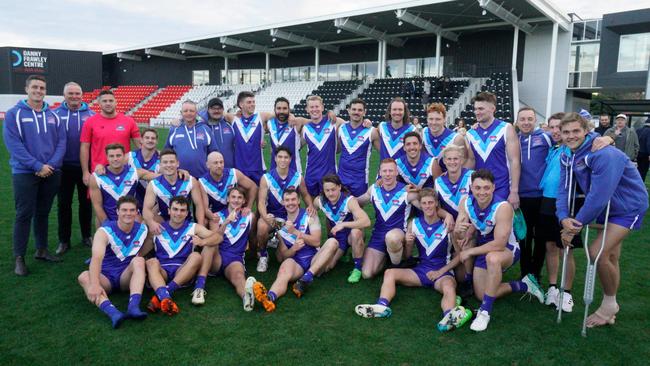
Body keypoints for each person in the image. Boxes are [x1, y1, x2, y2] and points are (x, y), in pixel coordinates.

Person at [557, 112, 648, 328]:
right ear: (560, 134)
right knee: (611, 255)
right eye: (566, 132)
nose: (571, 136)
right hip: (607, 208)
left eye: (576, 131)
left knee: (597, 252)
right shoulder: (566, 154)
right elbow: (563, 189)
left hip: (627, 206)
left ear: (586, 131)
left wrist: (575, 227)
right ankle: (612, 305)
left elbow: (598, 196)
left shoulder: (604, 154)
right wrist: (563, 218)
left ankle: (609, 305)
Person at [354, 189, 472, 333]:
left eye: (430, 203)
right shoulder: (414, 224)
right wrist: (408, 244)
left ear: (436, 204)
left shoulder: (448, 226)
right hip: (421, 271)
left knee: (449, 287)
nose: (428, 206)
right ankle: (382, 306)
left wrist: (440, 272)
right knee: (390, 273)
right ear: (420, 206)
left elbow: (460, 256)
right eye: (424, 203)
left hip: (442, 273)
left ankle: (449, 316)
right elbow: (407, 257)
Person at [454, 169, 545, 332]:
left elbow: (499, 244)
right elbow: (460, 233)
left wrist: (470, 252)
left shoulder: (503, 207)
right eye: (478, 188)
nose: (482, 192)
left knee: (493, 259)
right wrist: (458, 230)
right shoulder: (465, 202)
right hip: (484, 248)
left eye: (486, 188)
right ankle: (524, 286)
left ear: (494, 187)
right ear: (471, 188)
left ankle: (485, 312)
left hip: (506, 249)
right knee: (481, 293)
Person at [3, 75, 67, 275]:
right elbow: (13, 145)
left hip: (51, 171)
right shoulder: (14, 114)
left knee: (43, 212)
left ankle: (41, 249)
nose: (39, 91)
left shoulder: (54, 115)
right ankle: (19, 257)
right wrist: (36, 165)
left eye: (42, 88)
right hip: (24, 172)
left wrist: (52, 165)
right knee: (24, 214)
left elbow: (61, 142)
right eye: (35, 87)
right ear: (27, 89)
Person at [252, 189, 337, 312]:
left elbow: (317, 241)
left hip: (315, 259)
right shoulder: (280, 224)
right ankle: (269, 298)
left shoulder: (310, 215)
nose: (290, 203)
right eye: (287, 200)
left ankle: (306, 278)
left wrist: (295, 232)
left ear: (298, 201)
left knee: (332, 242)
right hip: (297, 262)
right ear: (283, 202)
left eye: (293, 199)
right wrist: (294, 249)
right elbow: (283, 256)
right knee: (283, 271)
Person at [77, 196, 148, 329]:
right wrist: (95, 285)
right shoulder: (104, 231)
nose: (128, 213)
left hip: (125, 278)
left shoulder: (143, 229)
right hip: (106, 278)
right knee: (84, 276)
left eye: (132, 210)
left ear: (137, 212)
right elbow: (96, 259)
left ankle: (133, 307)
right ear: (117, 212)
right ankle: (113, 313)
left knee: (139, 261)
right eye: (124, 210)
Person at [146, 196, 222, 315]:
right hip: (162, 273)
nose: (178, 213)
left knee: (196, 256)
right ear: (169, 210)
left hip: (183, 271)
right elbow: (140, 252)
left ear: (187, 213)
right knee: (150, 262)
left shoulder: (193, 227)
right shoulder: (157, 228)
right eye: (175, 209)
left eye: (182, 210)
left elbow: (218, 237)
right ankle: (166, 298)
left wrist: (202, 242)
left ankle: (162, 294)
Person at [191, 187, 257, 309]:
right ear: (227, 199)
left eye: (239, 197)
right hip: (216, 258)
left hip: (235, 259)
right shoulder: (217, 217)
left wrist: (254, 253)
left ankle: (246, 298)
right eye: (233, 197)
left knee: (238, 276)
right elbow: (216, 238)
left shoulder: (250, 216)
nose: (236, 200)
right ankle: (199, 288)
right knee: (211, 244)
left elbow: (252, 237)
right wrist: (226, 222)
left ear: (244, 201)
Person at [356, 159, 419, 279]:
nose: (388, 174)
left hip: (398, 234)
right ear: (380, 172)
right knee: (367, 274)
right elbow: (357, 202)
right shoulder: (374, 189)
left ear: (396, 172)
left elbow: (427, 206)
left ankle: (397, 265)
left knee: (392, 238)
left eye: (391, 170)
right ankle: (387, 256)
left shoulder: (407, 191)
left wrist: (419, 191)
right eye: (384, 171)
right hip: (378, 236)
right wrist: (340, 198)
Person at [255, 147, 313, 272]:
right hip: (274, 217)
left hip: (291, 218)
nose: (283, 160)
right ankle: (263, 255)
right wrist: (265, 217)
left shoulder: (297, 177)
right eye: (280, 157)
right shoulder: (266, 178)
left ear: (290, 159)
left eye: (286, 157)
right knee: (261, 226)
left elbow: (306, 194)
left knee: (284, 254)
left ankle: (296, 250)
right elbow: (260, 202)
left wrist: (311, 206)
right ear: (275, 159)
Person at [54, 81, 94, 255]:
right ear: (64, 95)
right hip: (63, 167)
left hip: (86, 167)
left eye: (77, 93)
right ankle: (64, 240)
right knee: (64, 204)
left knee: (86, 203)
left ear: (82, 95)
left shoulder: (91, 115)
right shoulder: (54, 114)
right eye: (70, 93)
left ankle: (86, 236)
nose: (74, 96)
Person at [516, 107, 553, 281]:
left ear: (535, 120)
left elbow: (572, 139)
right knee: (524, 236)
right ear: (517, 121)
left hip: (542, 197)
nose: (526, 122)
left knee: (540, 238)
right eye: (522, 119)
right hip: (521, 197)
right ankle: (525, 273)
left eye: (529, 119)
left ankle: (536, 273)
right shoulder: (514, 140)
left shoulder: (546, 137)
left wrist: (607, 137)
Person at [465, 92, 521, 208]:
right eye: (475, 109)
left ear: (492, 109)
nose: (477, 112)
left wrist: (514, 191)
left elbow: (514, 161)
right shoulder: (471, 133)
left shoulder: (506, 128)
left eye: (481, 109)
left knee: (501, 224)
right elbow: (471, 161)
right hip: (479, 191)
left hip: (502, 188)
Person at [313, 174, 371, 283]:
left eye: (333, 189)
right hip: (337, 239)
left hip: (351, 235)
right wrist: (311, 210)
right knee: (325, 268)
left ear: (339, 187)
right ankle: (343, 253)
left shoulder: (349, 200)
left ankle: (357, 268)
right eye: (327, 190)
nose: (330, 193)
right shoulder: (320, 201)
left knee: (355, 233)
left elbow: (366, 221)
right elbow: (312, 210)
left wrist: (344, 224)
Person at [434, 145, 474, 296]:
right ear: (444, 161)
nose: (452, 162)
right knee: (458, 275)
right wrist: (447, 215)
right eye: (449, 159)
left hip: (470, 226)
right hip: (450, 228)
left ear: (462, 160)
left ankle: (469, 279)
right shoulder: (439, 181)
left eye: (456, 158)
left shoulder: (471, 176)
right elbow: (436, 207)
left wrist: (471, 226)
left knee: (463, 276)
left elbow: (479, 204)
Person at [80, 90, 141, 186]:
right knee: (99, 201)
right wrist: (85, 172)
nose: (108, 103)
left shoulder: (129, 121)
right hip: (99, 171)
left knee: (126, 200)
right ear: (99, 103)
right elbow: (84, 147)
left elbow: (140, 145)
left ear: (116, 102)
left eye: (111, 101)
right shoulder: (90, 122)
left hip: (124, 171)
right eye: (104, 101)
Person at [88, 143, 158, 226]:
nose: (115, 159)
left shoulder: (135, 172)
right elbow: (97, 206)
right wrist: (108, 226)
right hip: (108, 220)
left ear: (124, 156)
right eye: (111, 156)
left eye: (118, 155)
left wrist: (176, 172)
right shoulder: (96, 177)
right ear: (107, 157)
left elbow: (160, 177)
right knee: (99, 225)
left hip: (131, 218)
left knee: (140, 223)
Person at [143, 149, 205, 233]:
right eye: (165, 162)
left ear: (177, 163)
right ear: (160, 165)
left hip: (185, 220)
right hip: (163, 220)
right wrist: (151, 223)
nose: (169, 165)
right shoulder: (153, 184)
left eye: (172, 162)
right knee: (145, 226)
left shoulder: (190, 180)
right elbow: (146, 209)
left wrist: (200, 227)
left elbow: (199, 205)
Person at [230, 91, 276, 185]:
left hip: (258, 167)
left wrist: (291, 116)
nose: (253, 104)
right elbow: (209, 113)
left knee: (261, 198)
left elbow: (281, 114)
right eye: (249, 102)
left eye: (253, 102)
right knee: (240, 199)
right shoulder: (233, 119)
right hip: (240, 169)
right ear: (241, 104)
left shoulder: (261, 117)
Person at [165, 100, 218, 178]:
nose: (188, 113)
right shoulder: (174, 130)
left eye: (191, 111)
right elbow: (166, 153)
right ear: (181, 112)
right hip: (179, 177)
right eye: (185, 111)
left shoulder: (206, 129)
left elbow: (214, 153)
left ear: (196, 112)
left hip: (202, 177)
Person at [199, 151, 257, 217]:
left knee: (252, 216)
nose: (219, 165)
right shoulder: (202, 182)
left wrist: (248, 207)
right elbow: (205, 209)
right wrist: (213, 217)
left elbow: (253, 187)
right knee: (206, 221)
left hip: (236, 211)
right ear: (208, 165)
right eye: (216, 163)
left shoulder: (234, 173)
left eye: (221, 162)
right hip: (217, 214)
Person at [337, 98, 374, 197]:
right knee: (341, 209)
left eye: (360, 110)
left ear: (364, 112)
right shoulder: (341, 127)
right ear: (348, 111)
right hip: (341, 178)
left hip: (360, 180)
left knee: (358, 210)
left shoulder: (371, 131)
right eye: (354, 109)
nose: (356, 112)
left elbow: (383, 152)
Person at [302, 95, 337, 196]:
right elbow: (297, 147)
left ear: (322, 107)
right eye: (311, 107)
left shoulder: (333, 122)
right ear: (307, 109)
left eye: (317, 106)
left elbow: (352, 125)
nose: (314, 109)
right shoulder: (305, 128)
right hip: (311, 173)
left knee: (331, 206)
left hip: (329, 173)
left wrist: (366, 122)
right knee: (312, 207)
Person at [421, 103, 466, 172]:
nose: (434, 122)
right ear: (427, 119)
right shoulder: (423, 133)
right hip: (427, 180)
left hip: (447, 180)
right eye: (431, 119)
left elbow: (463, 164)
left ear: (444, 119)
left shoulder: (456, 138)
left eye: (438, 119)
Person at [372, 98, 417, 162]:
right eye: (394, 109)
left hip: (402, 171)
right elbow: (372, 135)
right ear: (390, 111)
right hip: (384, 171)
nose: (397, 112)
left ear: (404, 112)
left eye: (400, 109)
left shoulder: (412, 130)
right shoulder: (382, 126)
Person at [267, 97, 302, 173]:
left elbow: (316, 121)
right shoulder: (269, 123)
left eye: (284, 108)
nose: (281, 111)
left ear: (289, 110)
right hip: (274, 171)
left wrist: (330, 112)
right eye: (279, 108)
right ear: (274, 110)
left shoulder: (297, 122)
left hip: (294, 171)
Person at [128, 128, 160, 208]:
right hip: (132, 204)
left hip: (154, 204)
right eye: (147, 138)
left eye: (153, 138)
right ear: (141, 140)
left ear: (157, 141)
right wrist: (101, 166)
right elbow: (113, 166)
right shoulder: (129, 157)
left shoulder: (162, 158)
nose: (150, 140)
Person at [201, 97, 235, 169]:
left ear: (223, 110)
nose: (216, 111)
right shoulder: (202, 126)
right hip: (210, 172)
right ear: (208, 110)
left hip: (230, 170)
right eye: (213, 108)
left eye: (219, 108)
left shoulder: (230, 124)